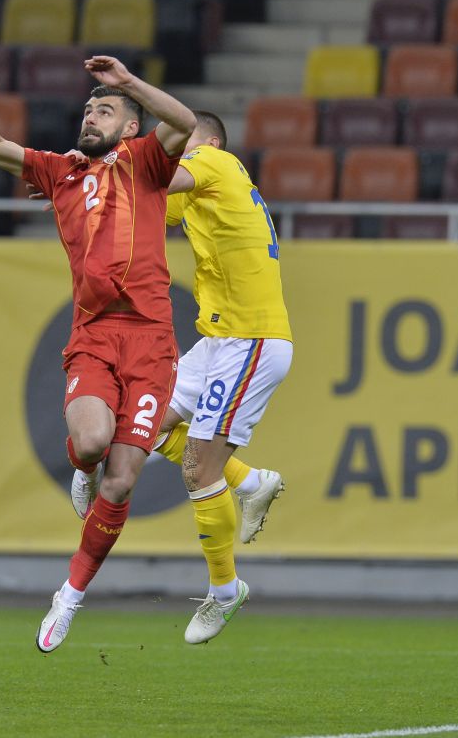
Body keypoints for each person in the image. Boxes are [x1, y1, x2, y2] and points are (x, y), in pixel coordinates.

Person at [0, 56, 195, 654]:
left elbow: (185, 119)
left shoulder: (145, 163)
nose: (91, 116)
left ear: (127, 128)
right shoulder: (60, 172)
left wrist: (130, 84)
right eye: (89, 108)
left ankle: (68, 597)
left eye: (106, 110)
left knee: (120, 485)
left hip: (151, 345)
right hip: (94, 335)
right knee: (92, 445)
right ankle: (80, 465)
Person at [71, 111, 293, 645]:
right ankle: (252, 482)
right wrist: (79, 185)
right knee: (141, 425)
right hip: (217, 342)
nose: (169, 150)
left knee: (197, 469)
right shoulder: (196, 191)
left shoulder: (216, 161)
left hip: (253, 340)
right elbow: (139, 203)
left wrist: (108, 161)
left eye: (180, 142)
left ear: (209, 141)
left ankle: (224, 590)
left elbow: (153, 175)